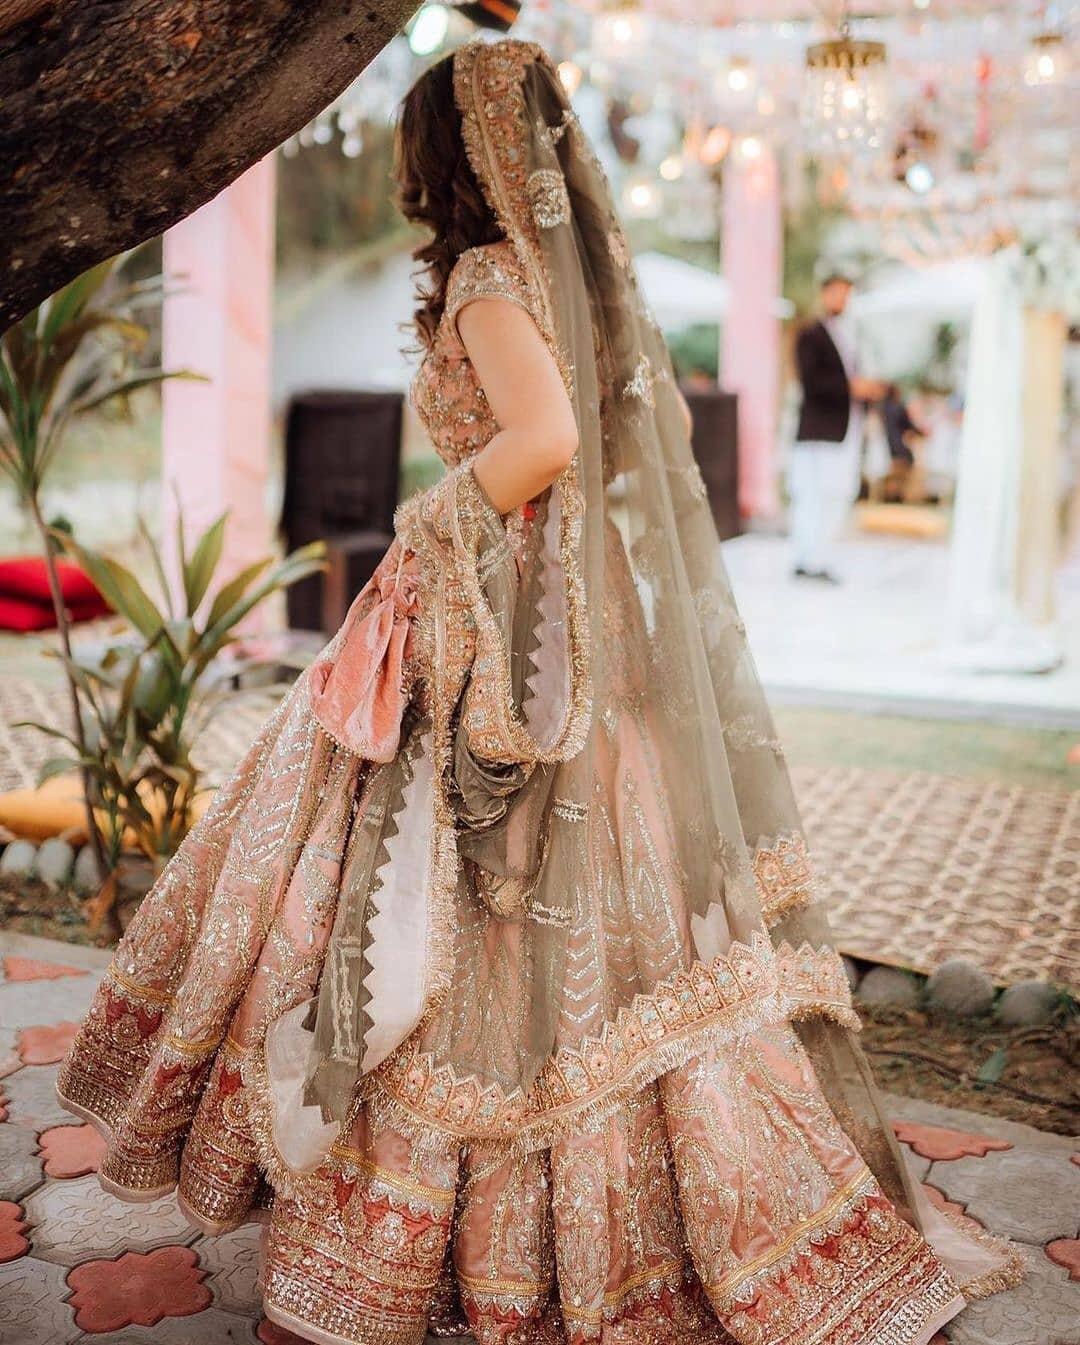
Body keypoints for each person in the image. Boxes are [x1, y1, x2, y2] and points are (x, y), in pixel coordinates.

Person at [57, 40, 1021, 1345]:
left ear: (444, 155)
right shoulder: (554, 279)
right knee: (572, 925)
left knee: (454, 917)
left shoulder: (485, 278)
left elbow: (548, 442)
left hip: (491, 610)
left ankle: (418, 1247)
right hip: (556, 605)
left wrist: (429, 521)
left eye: (410, 143)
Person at [791, 273, 886, 582]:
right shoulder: (810, 334)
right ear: (824, 293)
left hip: (845, 429)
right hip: (821, 430)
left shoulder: (852, 335)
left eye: (846, 294)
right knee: (814, 494)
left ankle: (820, 556)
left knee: (836, 494)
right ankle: (808, 558)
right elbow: (811, 382)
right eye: (837, 293)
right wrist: (852, 388)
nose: (842, 300)